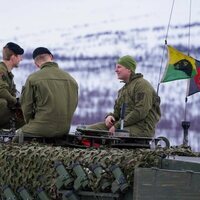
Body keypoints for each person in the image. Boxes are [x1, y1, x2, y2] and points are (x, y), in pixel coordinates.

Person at [87, 55, 161, 137]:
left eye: (119, 67)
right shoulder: (123, 90)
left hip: (142, 128)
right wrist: (110, 117)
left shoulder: (142, 85)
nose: (116, 70)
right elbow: (117, 113)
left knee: (112, 135)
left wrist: (117, 126)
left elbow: (140, 112)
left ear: (129, 69)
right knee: (86, 130)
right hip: (122, 126)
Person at [15, 47, 78, 140]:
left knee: (16, 136)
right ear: (51, 57)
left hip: (41, 128)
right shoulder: (71, 79)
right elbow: (74, 104)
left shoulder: (33, 79)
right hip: (65, 129)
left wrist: (31, 123)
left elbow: (26, 107)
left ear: (36, 64)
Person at [0, 42, 24, 129]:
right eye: (20, 56)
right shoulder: (1, 70)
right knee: (2, 103)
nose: (21, 59)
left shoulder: (8, 73)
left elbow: (13, 93)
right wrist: (15, 101)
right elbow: (1, 90)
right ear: (13, 57)